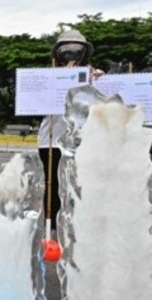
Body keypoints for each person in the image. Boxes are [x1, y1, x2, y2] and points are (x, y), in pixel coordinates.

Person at [38, 29, 104, 228]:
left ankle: (77, 227)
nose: (72, 53)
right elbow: (36, 103)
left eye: (77, 49)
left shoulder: (94, 76)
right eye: (66, 49)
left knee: (80, 186)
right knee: (52, 186)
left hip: (82, 142)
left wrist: (99, 80)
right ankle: (51, 229)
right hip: (50, 139)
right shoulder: (48, 77)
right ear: (58, 53)